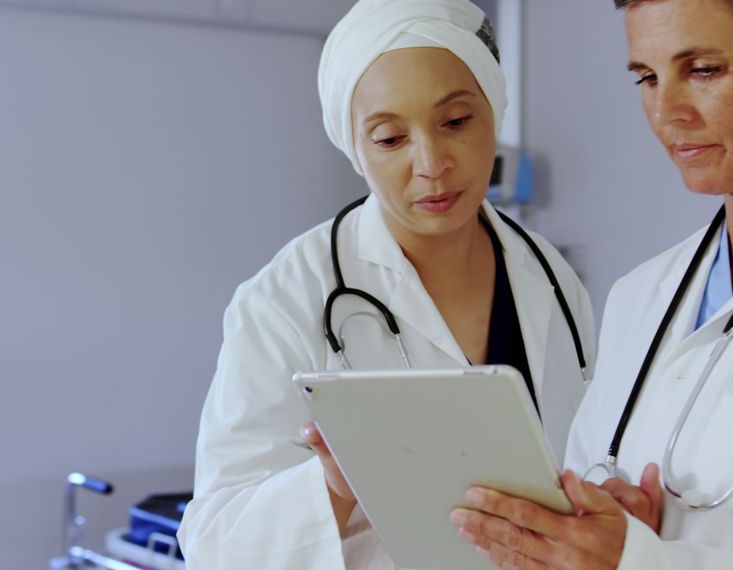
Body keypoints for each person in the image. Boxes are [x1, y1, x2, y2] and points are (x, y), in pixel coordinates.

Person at [177, 0, 596, 568]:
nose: (431, 163)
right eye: (390, 138)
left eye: (455, 122)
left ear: (493, 111)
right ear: (355, 149)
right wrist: (335, 482)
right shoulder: (285, 298)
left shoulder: (549, 276)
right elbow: (214, 544)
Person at [451, 0, 733, 568]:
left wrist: (639, 562)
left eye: (702, 70)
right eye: (646, 77)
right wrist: (598, 530)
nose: (666, 112)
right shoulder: (640, 297)